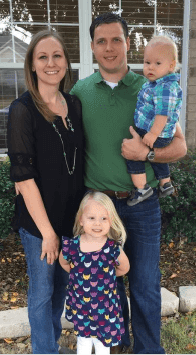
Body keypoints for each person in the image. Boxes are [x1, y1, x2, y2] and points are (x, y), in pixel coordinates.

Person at [69, 13, 186, 354]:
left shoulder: (152, 85)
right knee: (108, 285)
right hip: (98, 209)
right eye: (101, 41)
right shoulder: (80, 93)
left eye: (116, 39)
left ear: (128, 43)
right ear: (92, 47)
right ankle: (115, 347)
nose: (109, 48)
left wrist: (145, 153)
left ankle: (149, 350)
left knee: (146, 284)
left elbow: (180, 146)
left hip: (142, 202)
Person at [7, 30, 85, 354]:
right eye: (43, 57)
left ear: (66, 63)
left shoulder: (75, 105)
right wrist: (49, 234)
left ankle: (49, 345)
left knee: (60, 291)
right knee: (41, 294)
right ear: (33, 64)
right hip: (40, 227)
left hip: (71, 221)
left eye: (57, 56)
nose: (51, 63)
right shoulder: (22, 110)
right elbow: (23, 179)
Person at [59, 192, 130, 355]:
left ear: (111, 221)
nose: (97, 223)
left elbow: (124, 268)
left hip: (104, 308)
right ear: (81, 220)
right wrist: (77, 273)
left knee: (102, 343)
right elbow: (63, 262)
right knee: (83, 341)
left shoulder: (112, 248)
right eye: (91, 218)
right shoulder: (73, 245)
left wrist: (106, 276)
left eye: (103, 218)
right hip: (81, 306)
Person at [126, 35, 182, 206]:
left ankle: (142, 188)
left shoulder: (164, 88)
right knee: (157, 157)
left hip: (155, 132)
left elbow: (162, 115)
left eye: (158, 64)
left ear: (171, 65)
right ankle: (166, 184)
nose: (151, 67)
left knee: (133, 153)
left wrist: (152, 134)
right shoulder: (156, 84)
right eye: (147, 62)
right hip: (159, 134)